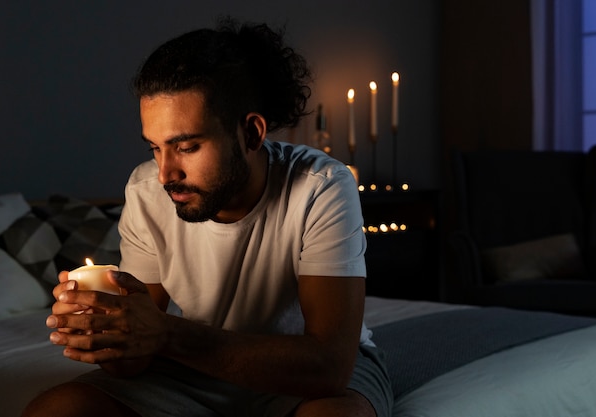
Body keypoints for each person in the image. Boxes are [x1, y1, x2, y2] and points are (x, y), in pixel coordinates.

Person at [22, 17, 393, 417]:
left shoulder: (319, 186)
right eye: (155, 148)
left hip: (301, 374)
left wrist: (166, 334)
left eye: (187, 146)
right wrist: (111, 332)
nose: (166, 173)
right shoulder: (146, 192)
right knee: (59, 408)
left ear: (250, 134)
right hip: (194, 369)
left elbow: (329, 367)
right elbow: (131, 365)